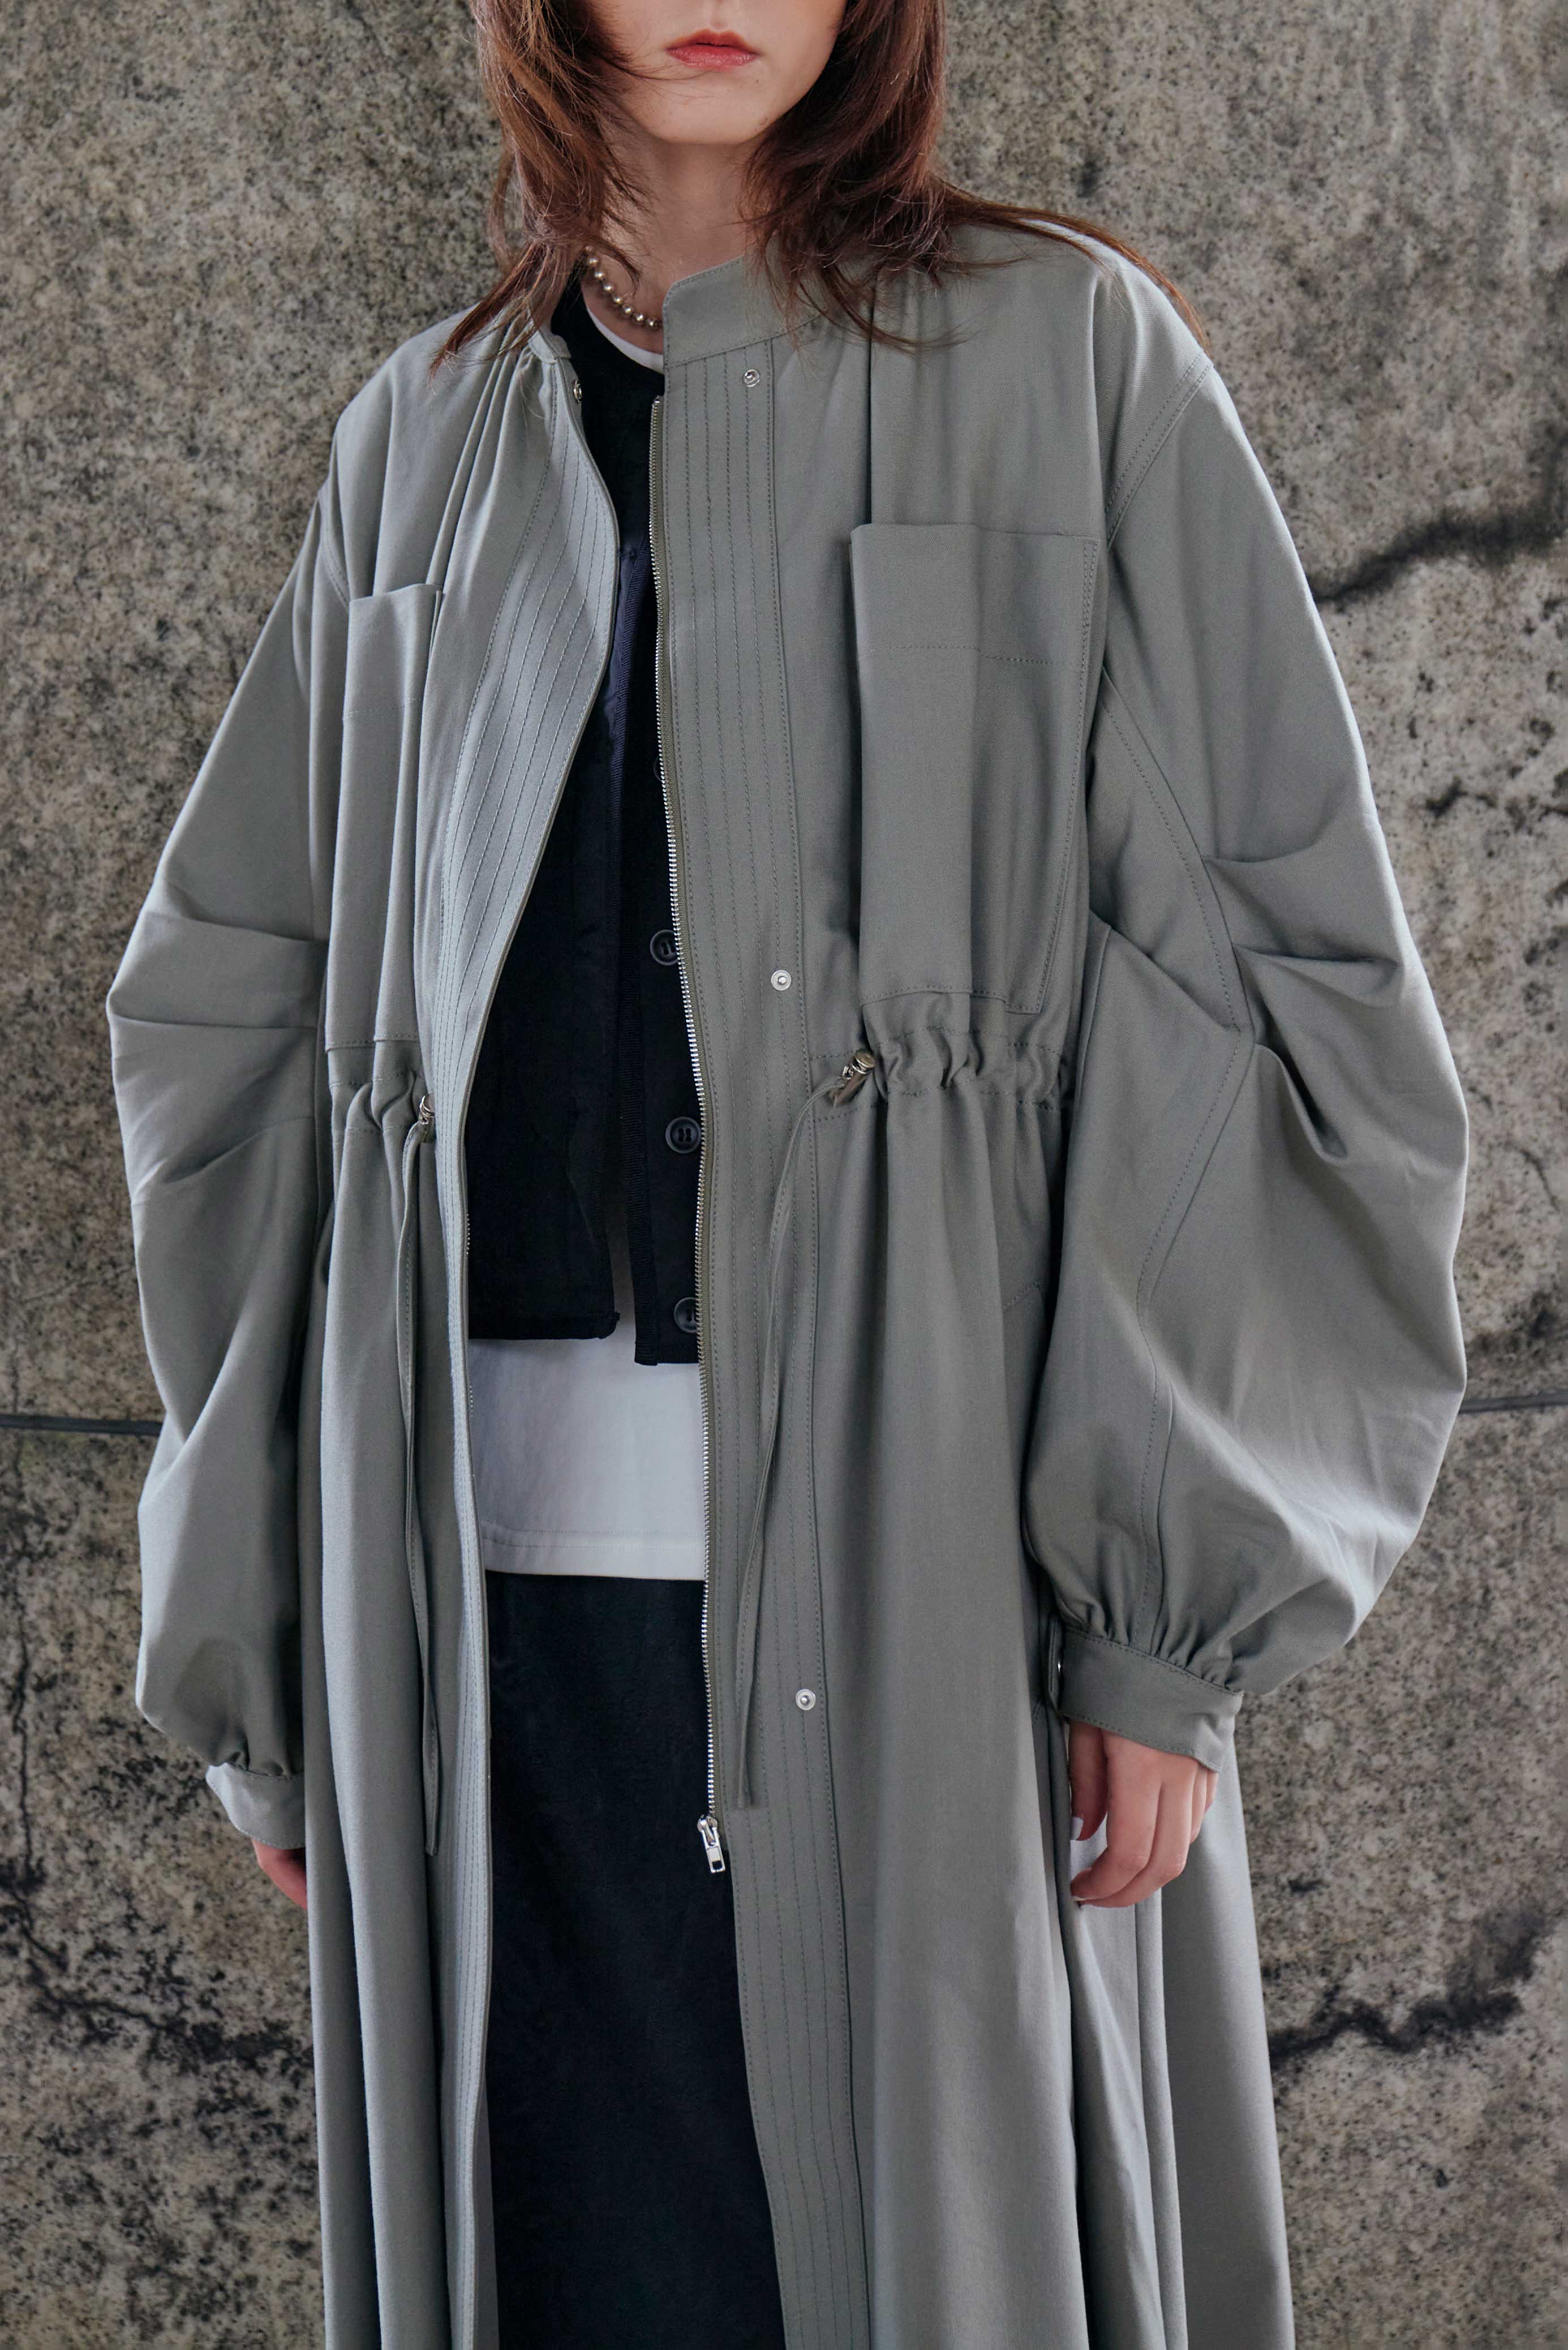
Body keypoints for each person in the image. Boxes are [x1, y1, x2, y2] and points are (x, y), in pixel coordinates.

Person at [104, 1, 1469, 2344]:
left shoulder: (1066, 359)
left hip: (946, 1607)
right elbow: (237, 1022)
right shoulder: (423, 433)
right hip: (486, 1634)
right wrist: (267, 1642)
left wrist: (1164, 1616)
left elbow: (1266, 973)